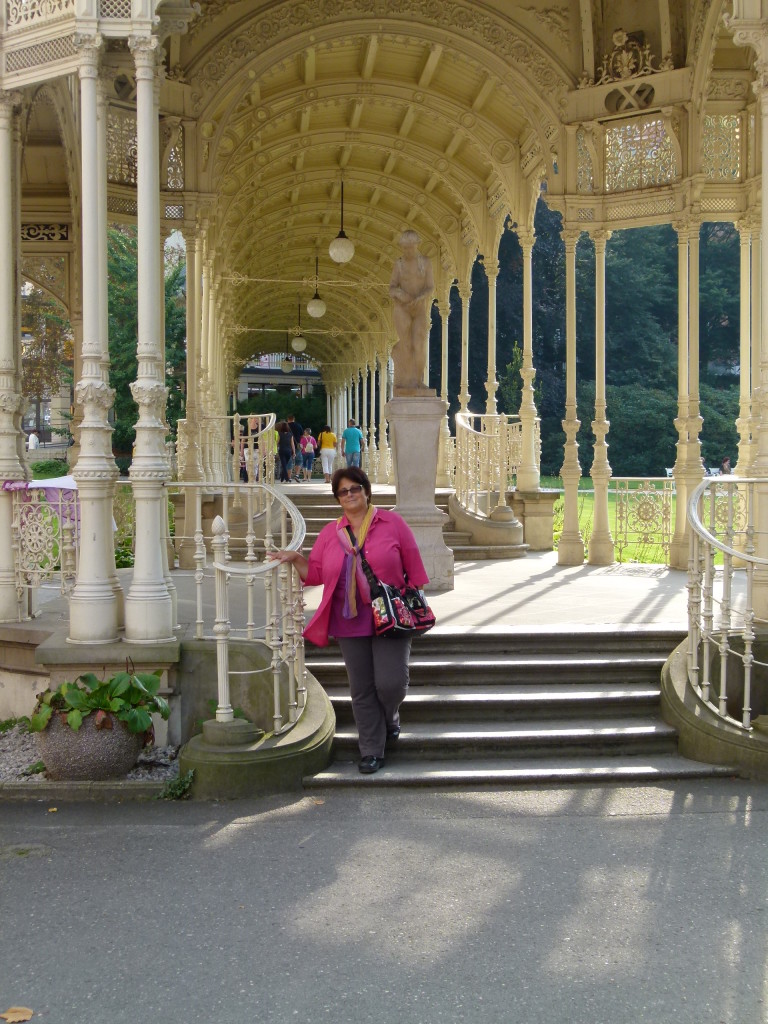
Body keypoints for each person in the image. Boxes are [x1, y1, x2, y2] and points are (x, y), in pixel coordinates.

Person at [268, 467, 428, 774]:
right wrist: (295, 559)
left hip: (390, 616)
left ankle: (391, 716)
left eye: (356, 488)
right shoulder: (331, 533)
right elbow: (315, 574)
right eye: (344, 491)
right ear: (338, 498)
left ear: (367, 491)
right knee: (362, 688)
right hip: (349, 618)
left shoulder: (393, 523)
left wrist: (413, 605)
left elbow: (415, 570)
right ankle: (371, 750)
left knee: (391, 684)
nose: (351, 494)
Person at [388, 229, 435, 391]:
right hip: (402, 308)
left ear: (417, 245)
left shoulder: (426, 263)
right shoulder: (399, 264)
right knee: (406, 344)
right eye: (405, 247)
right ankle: (406, 381)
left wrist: (420, 298)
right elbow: (392, 288)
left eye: (410, 247)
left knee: (419, 344)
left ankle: (418, 380)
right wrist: (402, 295)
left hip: (419, 308)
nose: (408, 250)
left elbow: (430, 287)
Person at [287, 414, 303, 482]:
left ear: (288, 419)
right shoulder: (298, 425)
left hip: (287, 446)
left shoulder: (286, 426)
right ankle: (297, 475)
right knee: (299, 460)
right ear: (294, 419)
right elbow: (301, 435)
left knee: (289, 461)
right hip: (297, 446)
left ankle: (289, 478)